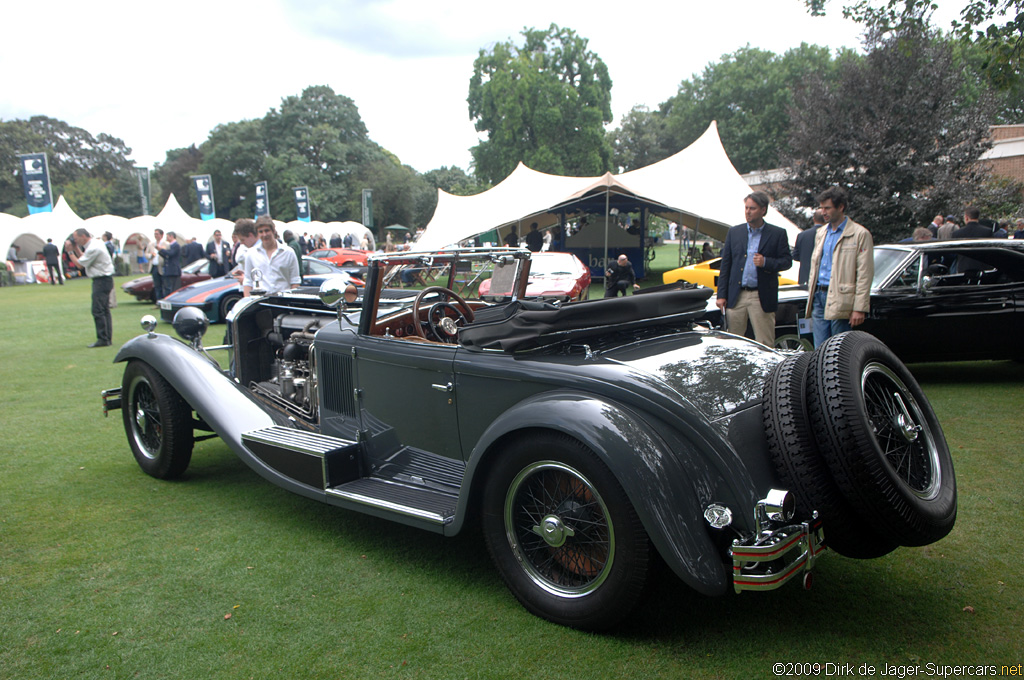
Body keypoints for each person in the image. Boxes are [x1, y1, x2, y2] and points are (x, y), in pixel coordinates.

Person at [716, 191, 793, 346]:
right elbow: (726, 266)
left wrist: (766, 262)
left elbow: (786, 262)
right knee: (733, 342)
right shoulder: (735, 232)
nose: (748, 212)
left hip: (761, 295)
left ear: (763, 210)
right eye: (746, 208)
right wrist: (721, 294)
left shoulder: (777, 233)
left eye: (752, 208)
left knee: (764, 342)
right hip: (737, 296)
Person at [805, 186, 874, 348]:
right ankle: (820, 374)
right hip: (819, 296)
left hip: (842, 298)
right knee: (819, 350)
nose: (823, 212)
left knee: (839, 350)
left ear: (841, 207)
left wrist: (859, 308)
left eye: (827, 208)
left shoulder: (860, 234)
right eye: (821, 208)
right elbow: (815, 267)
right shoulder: (821, 232)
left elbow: (865, 273)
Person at [65, 228, 114, 347]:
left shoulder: (93, 247)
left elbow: (79, 265)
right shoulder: (96, 243)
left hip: (101, 280)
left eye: (76, 239)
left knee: (98, 310)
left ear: (83, 236)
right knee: (105, 310)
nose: (76, 241)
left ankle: (103, 339)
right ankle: (106, 338)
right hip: (105, 280)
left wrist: (70, 252)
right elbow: (84, 258)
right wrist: (76, 248)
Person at [243, 216, 300, 296]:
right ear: (258, 234)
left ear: (273, 231)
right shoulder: (251, 254)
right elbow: (248, 281)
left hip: (284, 301)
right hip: (261, 302)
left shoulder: (288, 252)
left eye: (267, 230)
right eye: (261, 232)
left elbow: (295, 281)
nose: (264, 234)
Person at [792, 210, 824, 286]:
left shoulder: (802, 235)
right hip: (823, 280)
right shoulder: (829, 235)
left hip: (805, 278)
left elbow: (795, 256)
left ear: (813, 219)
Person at [157, 231, 182, 298]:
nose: (166, 238)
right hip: (168, 269)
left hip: (173, 270)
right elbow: (166, 256)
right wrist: (160, 251)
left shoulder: (176, 245)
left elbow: (170, 254)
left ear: (171, 236)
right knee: (167, 287)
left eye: (167, 236)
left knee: (173, 287)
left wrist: (161, 250)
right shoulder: (169, 245)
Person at [150, 229, 165, 302]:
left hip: (162, 266)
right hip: (154, 266)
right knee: (157, 286)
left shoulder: (165, 244)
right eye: (155, 234)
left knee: (164, 285)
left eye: (157, 234)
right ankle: (158, 301)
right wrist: (150, 255)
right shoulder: (151, 244)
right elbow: (146, 253)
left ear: (162, 235)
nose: (155, 235)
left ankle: (164, 300)